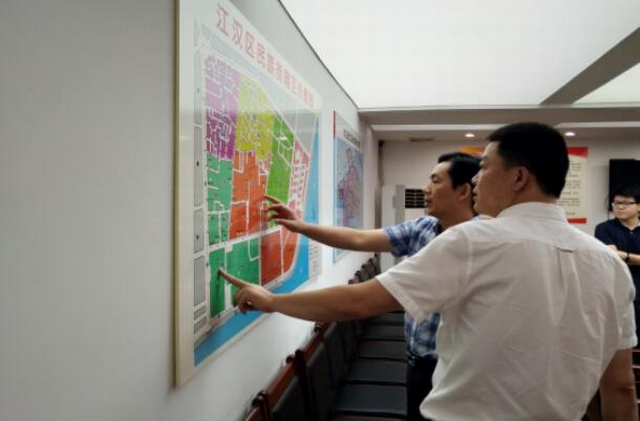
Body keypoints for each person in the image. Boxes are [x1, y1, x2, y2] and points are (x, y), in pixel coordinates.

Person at [221, 122, 637, 421]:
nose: (477, 180)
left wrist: (272, 300)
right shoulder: (608, 263)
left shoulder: (474, 241)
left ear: (518, 177)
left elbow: (360, 302)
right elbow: (620, 387)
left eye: (485, 168)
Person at [264, 151, 480, 421]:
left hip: (452, 369)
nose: (426, 189)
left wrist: (270, 302)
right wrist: (302, 227)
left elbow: (358, 303)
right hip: (416, 361)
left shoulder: (480, 243)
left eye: (435, 181)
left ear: (462, 191)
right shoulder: (424, 228)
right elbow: (358, 239)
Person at [595, 185, 640, 343]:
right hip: (617, 288)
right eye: (616, 203)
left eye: (626, 203)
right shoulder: (604, 228)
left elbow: (618, 255)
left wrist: (625, 256)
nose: (620, 207)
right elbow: (612, 256)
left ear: (639, 206)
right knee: (620, 339)